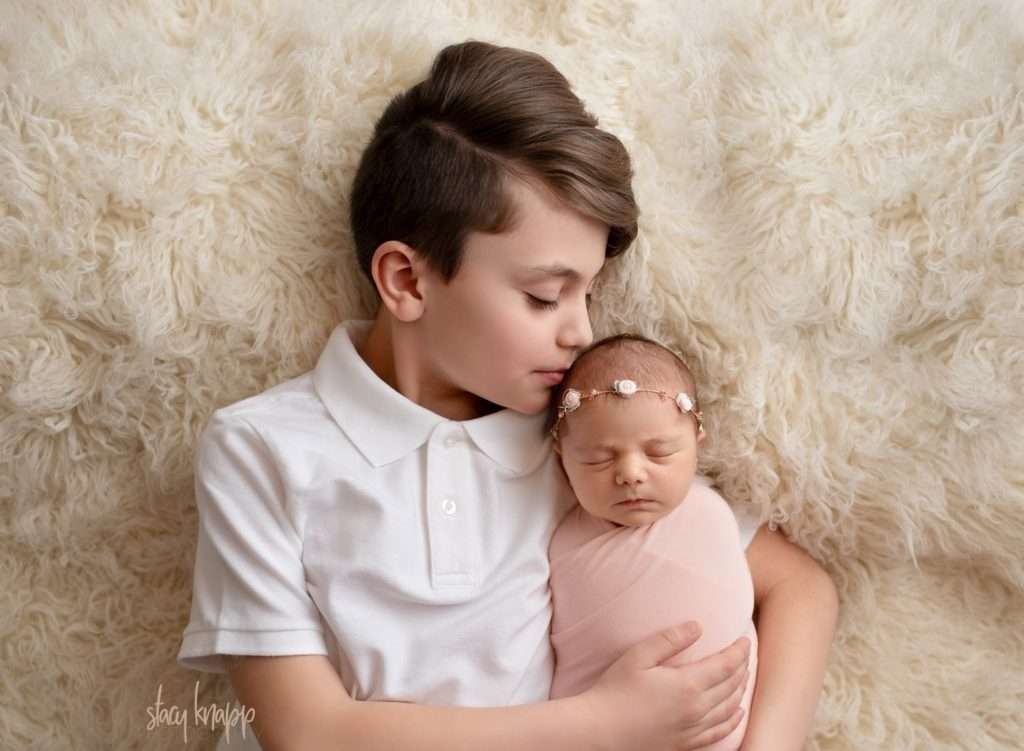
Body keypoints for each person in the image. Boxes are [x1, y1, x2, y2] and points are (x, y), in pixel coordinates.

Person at [177, 40, 838, 751]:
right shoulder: (263, 448)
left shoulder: (576, 439)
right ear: (407, 280)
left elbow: (799, 587)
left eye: (588, 293)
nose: (580, 331)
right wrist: (607, 722)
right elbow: (307, 731)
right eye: (544, 295)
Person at [545, 333, 760, 751]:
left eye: (659, 453)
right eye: (598, 458)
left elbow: (801, 588)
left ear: (698, 446)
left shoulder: (715, 514)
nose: (630, 474)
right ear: (561, 457)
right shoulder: (559, 541)